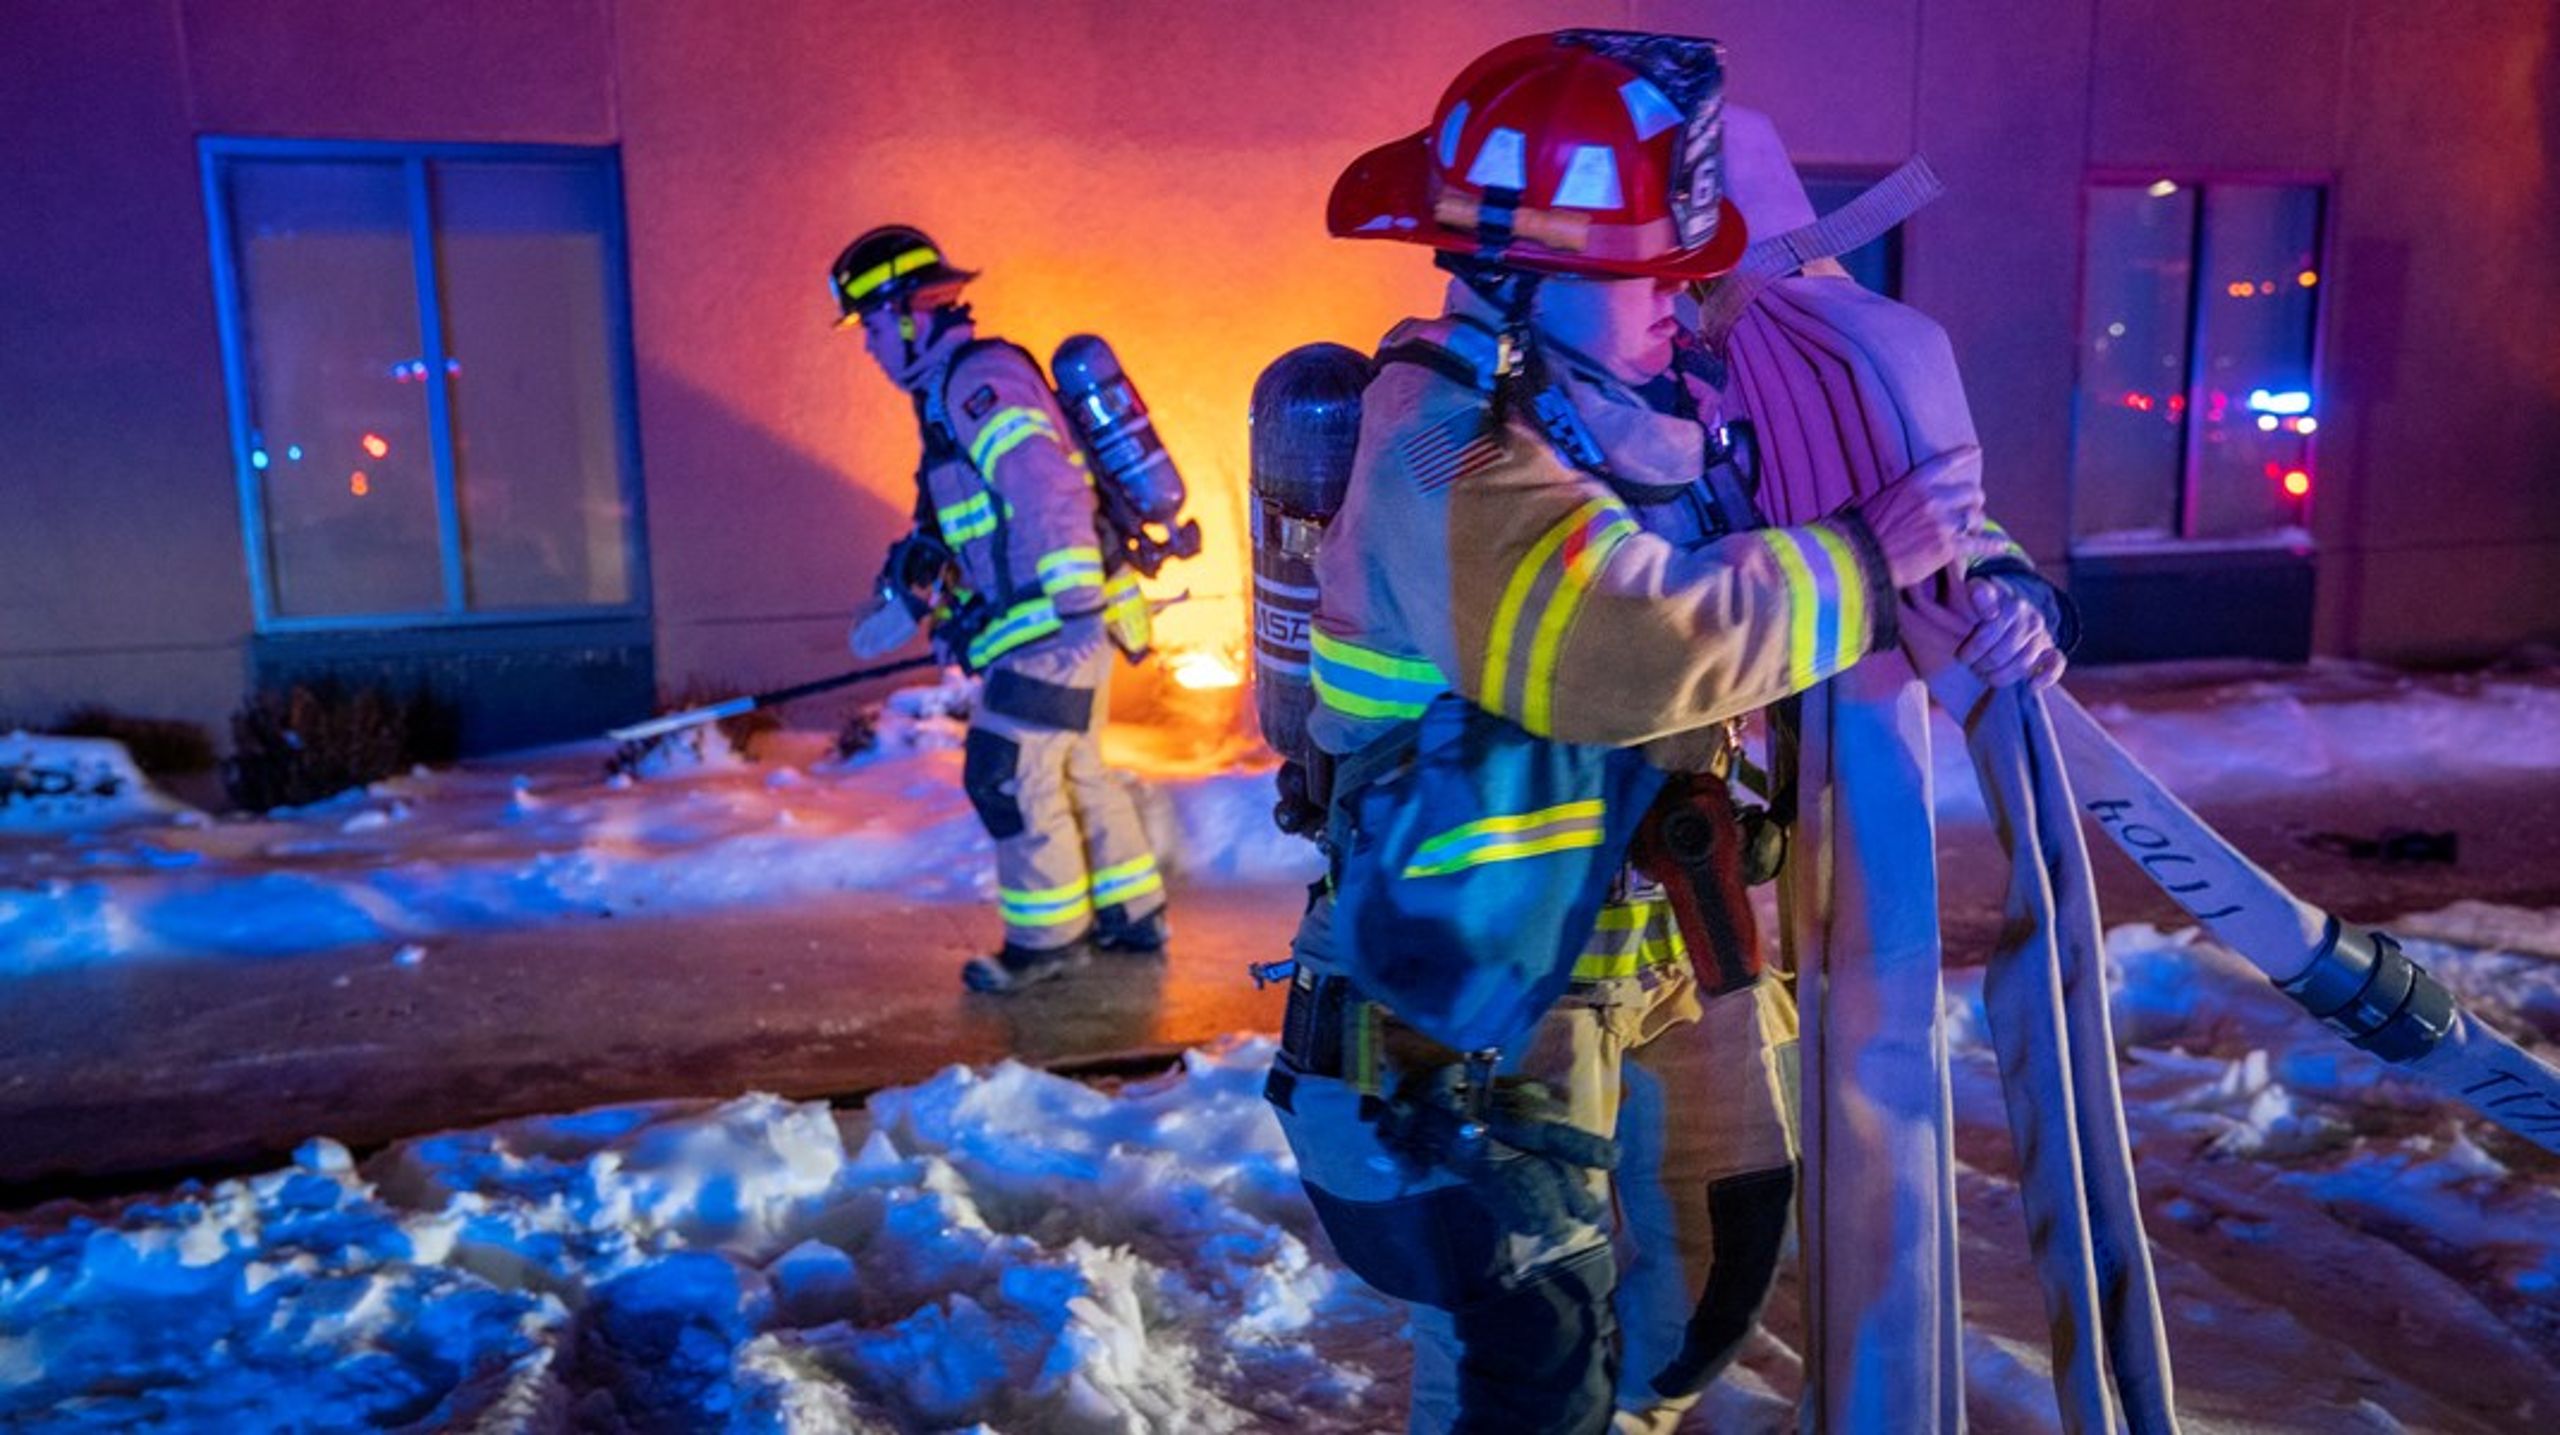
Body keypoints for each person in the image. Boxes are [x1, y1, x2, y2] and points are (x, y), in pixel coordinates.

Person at [1262, 32, 2063, 1433]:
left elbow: (1861, 478)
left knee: (1705, 1293)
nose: (1687, 298)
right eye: (1654, 272)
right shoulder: (1436, 445)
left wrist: (1994, 587)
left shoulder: (1665, 404)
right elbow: (1622, 647)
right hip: (1482, 989)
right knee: (1527, 1354)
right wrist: (1868, 565)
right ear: (1534, 277)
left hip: (1684, 951)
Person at [831, 224, 1170, 993]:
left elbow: (1046, 488)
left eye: (872, 327)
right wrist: (934, 581)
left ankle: (1048, 942)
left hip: (1058, 621)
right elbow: (976, 520)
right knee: (1075, 765)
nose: (869, 347)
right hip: (1054, 617)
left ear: (912, 312)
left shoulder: (977, 383)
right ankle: (1133, 913)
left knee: (1007, 769)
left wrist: (1072, 606)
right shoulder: (947, 397)